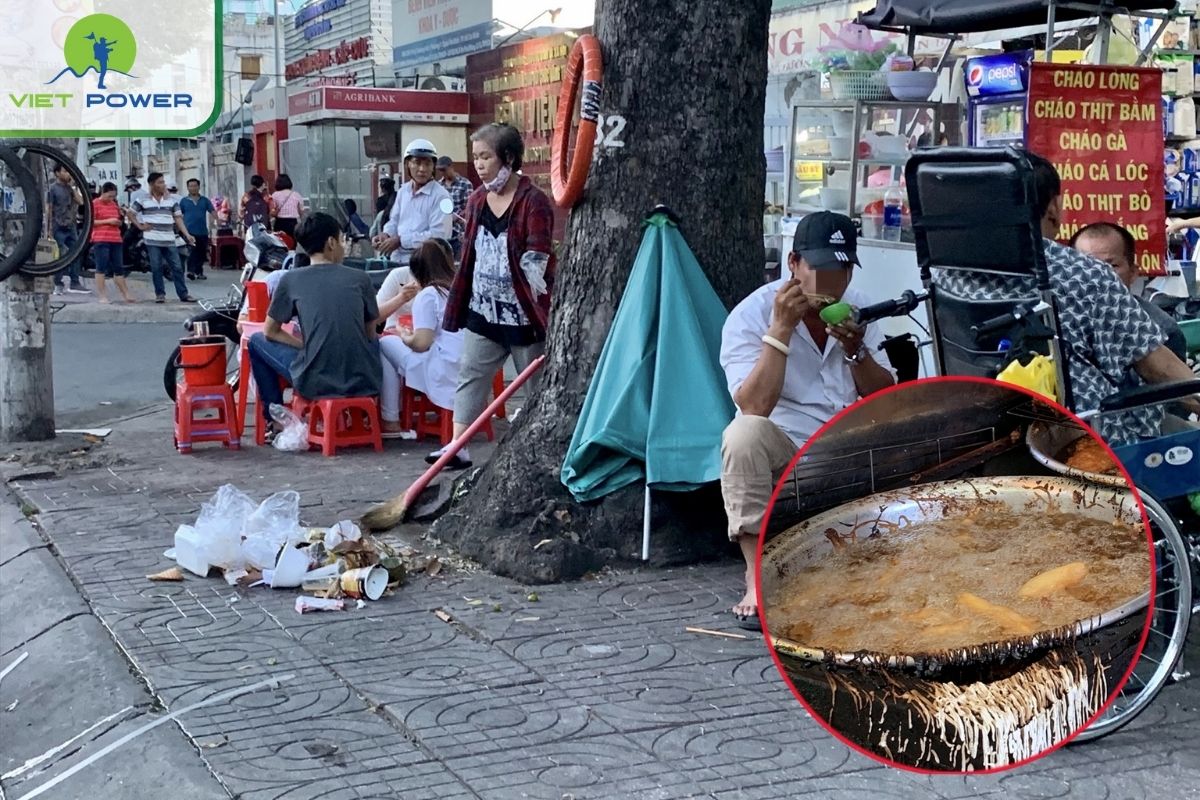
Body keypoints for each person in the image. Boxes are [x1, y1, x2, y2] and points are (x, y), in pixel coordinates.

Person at [937, 150, 1200, 443]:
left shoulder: (947, 271)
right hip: (1084, 440)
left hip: (982, 427)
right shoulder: (1082, 274)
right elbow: (1160, 368)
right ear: (1054, 207)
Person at [719, 211, 897, 628]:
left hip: (847, 451)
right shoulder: (752, 316)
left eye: (842, 269)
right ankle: (755, 573)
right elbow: (754, 407)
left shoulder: (859, 312)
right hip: (786, 452)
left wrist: (857, 352)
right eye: (819, 268)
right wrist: (780, 330)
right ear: (794, 264)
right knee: (742, 435)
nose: (830, 283)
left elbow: (887, 399)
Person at [438, 123, 555, 469]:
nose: (479, 164)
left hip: (522, 312)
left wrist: (535, 277)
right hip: (482, 309)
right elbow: (470, 254)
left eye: (485, 156)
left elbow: (540, 252)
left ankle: (536, 449)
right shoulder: (477, 200)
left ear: (508, 158)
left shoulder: (533, 202)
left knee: (534, 385)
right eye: (475, 157)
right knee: (471, 373)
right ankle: (457, 446)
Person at [247, 213, 382, 434]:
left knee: (256, 341)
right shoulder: (361, 279)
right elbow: (369, 334)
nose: (343, 246)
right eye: (342, 240)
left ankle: (274, 421)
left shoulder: (290, 279)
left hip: (314, 381)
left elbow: (270, 331)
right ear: (331, 243)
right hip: (364, 378)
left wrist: (303, 345)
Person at [376, 240, 464, 435]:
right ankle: (392, 416)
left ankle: (390, 418)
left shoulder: (429, 294)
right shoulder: (460, 288)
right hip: (465, 366)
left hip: (441, 369)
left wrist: (405, 336)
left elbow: (421, 344)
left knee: (383, 343)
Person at [1070, 223, 1188, 361]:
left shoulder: (1162, 329)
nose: (1098, 275)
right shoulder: (1059, 324)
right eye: (1087, 265)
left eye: (1111, 266)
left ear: (1133, 272)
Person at [373, 139, 451, 267]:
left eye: (427, 164)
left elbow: (440, 235)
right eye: (417, 163)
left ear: (433, 167)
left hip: (425, 265)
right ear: (407, 164)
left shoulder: (443, 197)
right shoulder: (403, 191)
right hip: (396, 261)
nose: (422, 169)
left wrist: (401, 241)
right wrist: (385, 235)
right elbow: (394, 220)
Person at [129, 172, 197, 303]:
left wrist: (187, 235)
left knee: (177, 267)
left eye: (163, 182)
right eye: (160, 182)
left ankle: (183, 294)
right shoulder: (143, 199)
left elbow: (178, 218)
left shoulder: (171, 200)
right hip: (152, 239)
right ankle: (160, 294)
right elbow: (131, 213)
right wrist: (140, 226)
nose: (163, 185)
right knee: (156, 267)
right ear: (152, 184)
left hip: (169, 239)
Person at [90, 181, 134, 303]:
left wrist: (119, 220)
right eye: (109, 196)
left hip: (115, 239)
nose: (111, 198)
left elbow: (118, 221)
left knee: (119, 267)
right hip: (101, 239)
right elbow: (91, 222)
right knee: (101, 267)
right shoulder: (95, 204)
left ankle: (126, 293)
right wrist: (108, 221)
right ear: (103, 193)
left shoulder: (114, 205)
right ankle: (102, 295)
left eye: (113, 196)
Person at [47, 163, 87, 295]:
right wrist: (49, 229)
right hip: (58, 225)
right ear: (57, 173)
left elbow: (81, 201)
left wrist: (73, 187)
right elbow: (49, 209)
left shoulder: (69, 189)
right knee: (60, 255)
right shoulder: (53, 189)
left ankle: (75, 281)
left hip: (71, 225)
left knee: (76, 252)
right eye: (64, 171)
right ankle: (57, 282)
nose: (67, 174)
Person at [437, 155, 474, 259]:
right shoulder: (438, 186)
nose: (442, 173)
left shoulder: (465, 184)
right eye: (440, 170)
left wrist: (456, 217)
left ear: (451, 167)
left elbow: (470, 208)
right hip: (442, 232)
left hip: (458, 233)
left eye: (444, 170)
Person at [179, 178, 215, 280]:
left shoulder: (204, 200)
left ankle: (199, 272)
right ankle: (190, 271)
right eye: (191, 186)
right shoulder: (184, 201)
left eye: (195, 186)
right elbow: (178, 215)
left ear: (199, 187)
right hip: (189, 232)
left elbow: (212, 211)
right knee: (192, 251)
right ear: (188, 188)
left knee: (201, 253)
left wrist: (217, 221)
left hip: (202, 231)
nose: (193, 188)